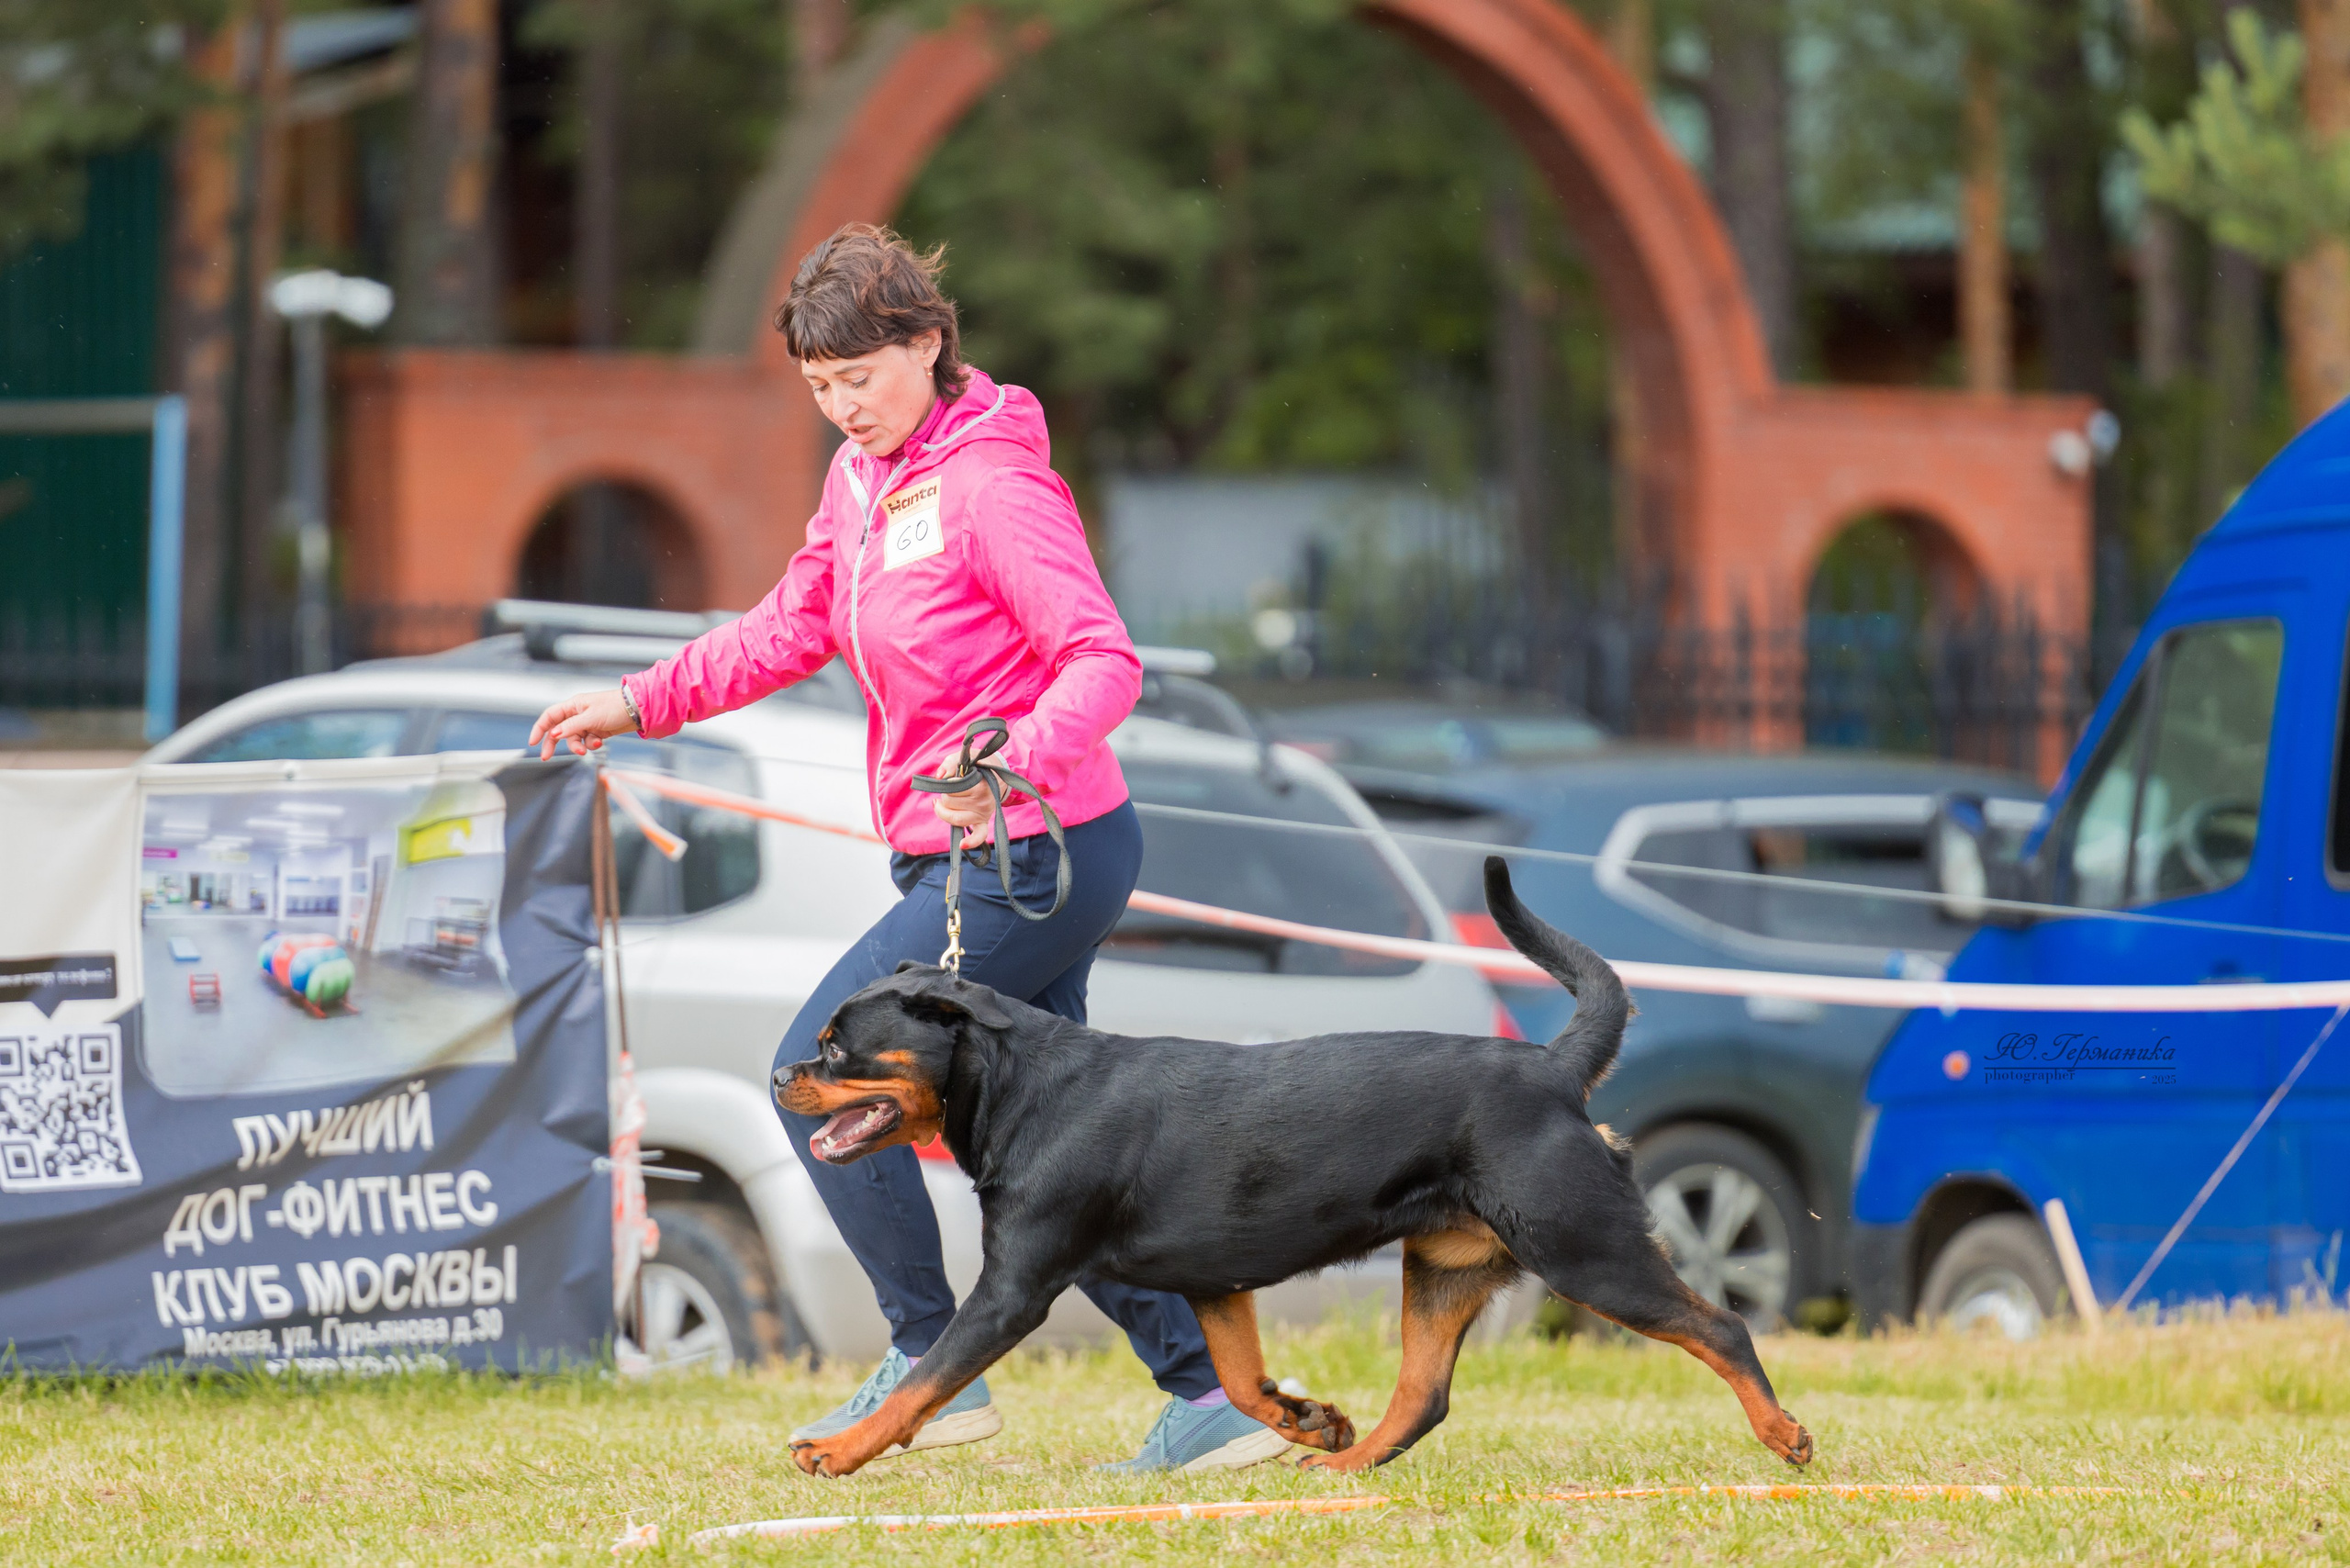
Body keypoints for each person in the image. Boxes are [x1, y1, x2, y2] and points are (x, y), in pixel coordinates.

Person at [529, 224, 1284, 1473]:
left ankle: (930, 1358)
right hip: (961, 860)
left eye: (862, 379)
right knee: (1048, 1154)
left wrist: (1008, 768)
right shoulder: (861, 482)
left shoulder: (995, 484)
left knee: (811, 1071)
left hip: (1038, 851)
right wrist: (639, 696)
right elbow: (790, 626)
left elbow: (1105, 660)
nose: (843, 409)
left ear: (928, 345)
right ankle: (1213, 1395)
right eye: (820, 389)